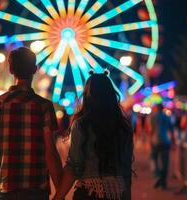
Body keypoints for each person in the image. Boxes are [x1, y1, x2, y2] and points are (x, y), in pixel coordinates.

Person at [0, 47, 63, 200]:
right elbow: (51, 153)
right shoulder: (44, 106)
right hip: (36, 189)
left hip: (4, 189)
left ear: (11, 69)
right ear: (35, 69)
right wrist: (60, 192)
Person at [53, 72, 134, 200]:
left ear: (87, 95)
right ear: (112, 95)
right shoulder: (123, 127)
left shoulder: (81, 125)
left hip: (89, 192)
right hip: (117, 192)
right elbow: (126, 169)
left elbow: (74, 167)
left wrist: (59, 196)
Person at [150, 104, 174, 189]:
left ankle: (158, 175)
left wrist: (150, 141)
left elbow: (151, 130)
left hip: (156, 141)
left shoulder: (153, 117)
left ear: (156, 108)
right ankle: (163, 182)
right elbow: (171, 130)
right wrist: (173, 142)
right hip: (165, 141)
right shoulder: (167, 117)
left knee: (153, 158)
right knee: (165, 162)